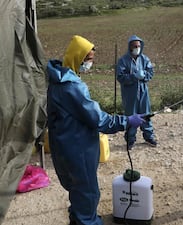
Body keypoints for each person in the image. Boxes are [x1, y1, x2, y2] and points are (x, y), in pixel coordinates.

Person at [46, 35, 145, 225]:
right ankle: (87, 221)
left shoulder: (57, 78)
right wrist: (127, 121)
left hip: (64, 144)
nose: (90, 64)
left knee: (77, 188)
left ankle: (77, 218)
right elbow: (98, 119)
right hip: (78, 147)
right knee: (87, 191)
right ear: (78, 58)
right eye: (89, 60)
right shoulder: (71, 87)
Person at [117, 35, 157, 149]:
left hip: (143, 93)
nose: (137, 48)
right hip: (130, 94)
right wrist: (134, 77)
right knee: (131, 117)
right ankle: (130, 139)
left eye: (139, 46)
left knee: (146, 115)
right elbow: (120, 77)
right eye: (134, 46)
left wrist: (144, 76)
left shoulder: (145, 59)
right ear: (129, 47)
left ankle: (149, 137)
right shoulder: (123, 61)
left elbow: (150, 72)